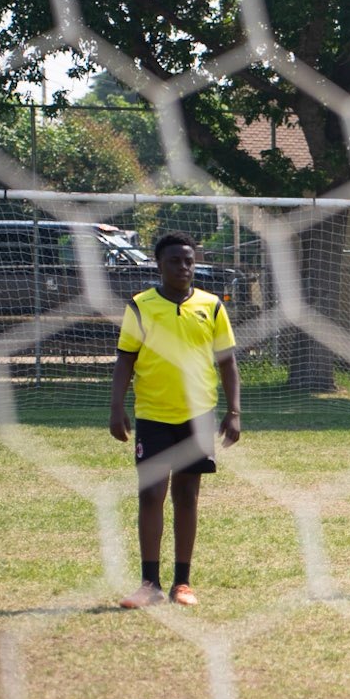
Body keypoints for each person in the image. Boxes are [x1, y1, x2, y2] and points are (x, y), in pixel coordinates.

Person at [108, 231, 241, 608]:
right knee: (151, 494)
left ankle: (182, 583)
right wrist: (116, 408)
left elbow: (228, 363)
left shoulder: (211, 306)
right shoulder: (140, 306)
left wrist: (234, 412)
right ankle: (148, 583)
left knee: (187, 495)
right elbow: (125, 360)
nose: (183, 267)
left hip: (197, 417)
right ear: (158, 265)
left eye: (188, 261)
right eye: (174, 261)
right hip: (152, 414)